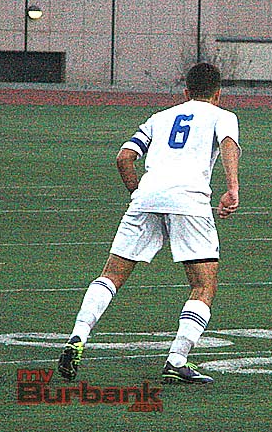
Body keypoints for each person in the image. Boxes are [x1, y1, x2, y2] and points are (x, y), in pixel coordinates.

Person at [57, 62, 240, 383]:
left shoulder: (159, 118)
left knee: (111, 275)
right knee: (203, 285)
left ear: (186, 92)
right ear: (218, 94)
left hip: (147, 197)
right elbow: (228, 143)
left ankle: (78, 334)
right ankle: (177, 359)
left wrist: (138, 193)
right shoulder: (222, 116)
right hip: (189, 201)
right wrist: (232, 188)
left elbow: (124, 158)